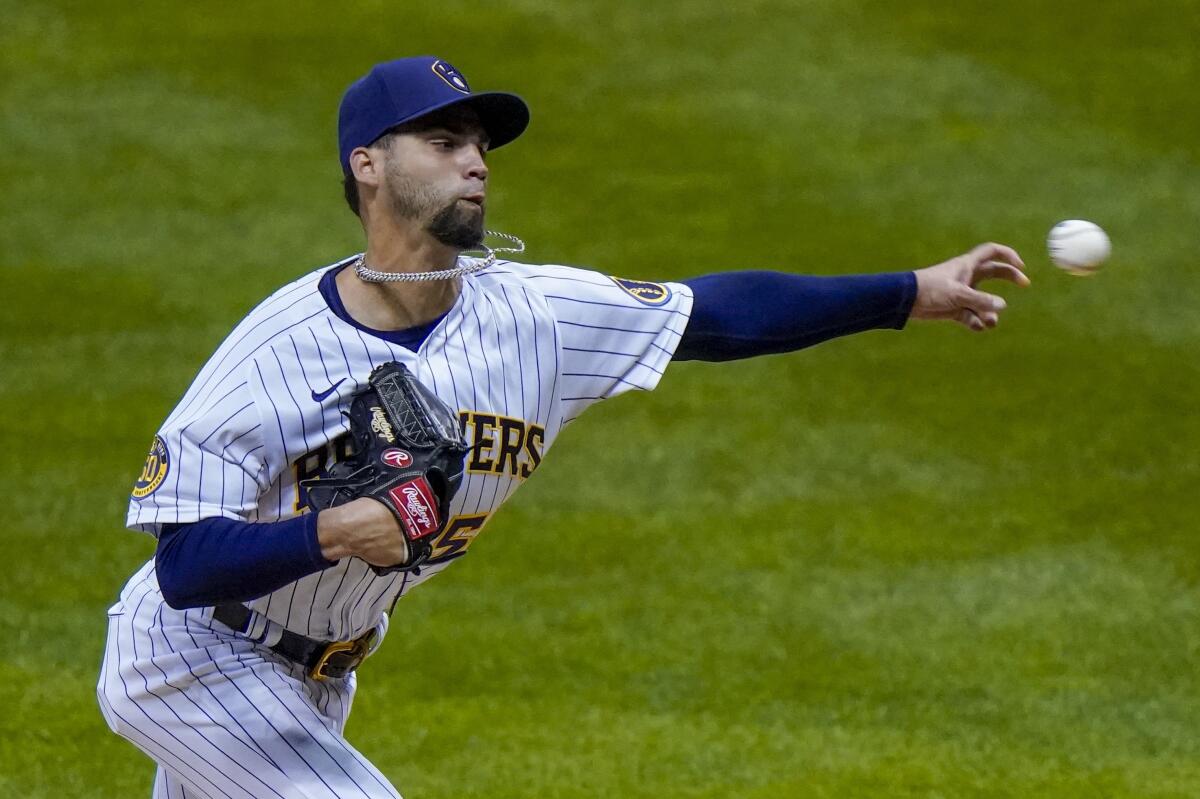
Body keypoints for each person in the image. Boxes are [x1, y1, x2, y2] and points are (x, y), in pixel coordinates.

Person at [97, 56, 1029, 799]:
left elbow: (716, 315)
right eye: (443, 138)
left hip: (321, 677)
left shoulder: (533, 313)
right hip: (193, 661)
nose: (475, 160)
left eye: (482, 145)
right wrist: (334, 528)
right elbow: (181, 568)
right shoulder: (272, 354)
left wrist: (907, 293)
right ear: (367, 164)